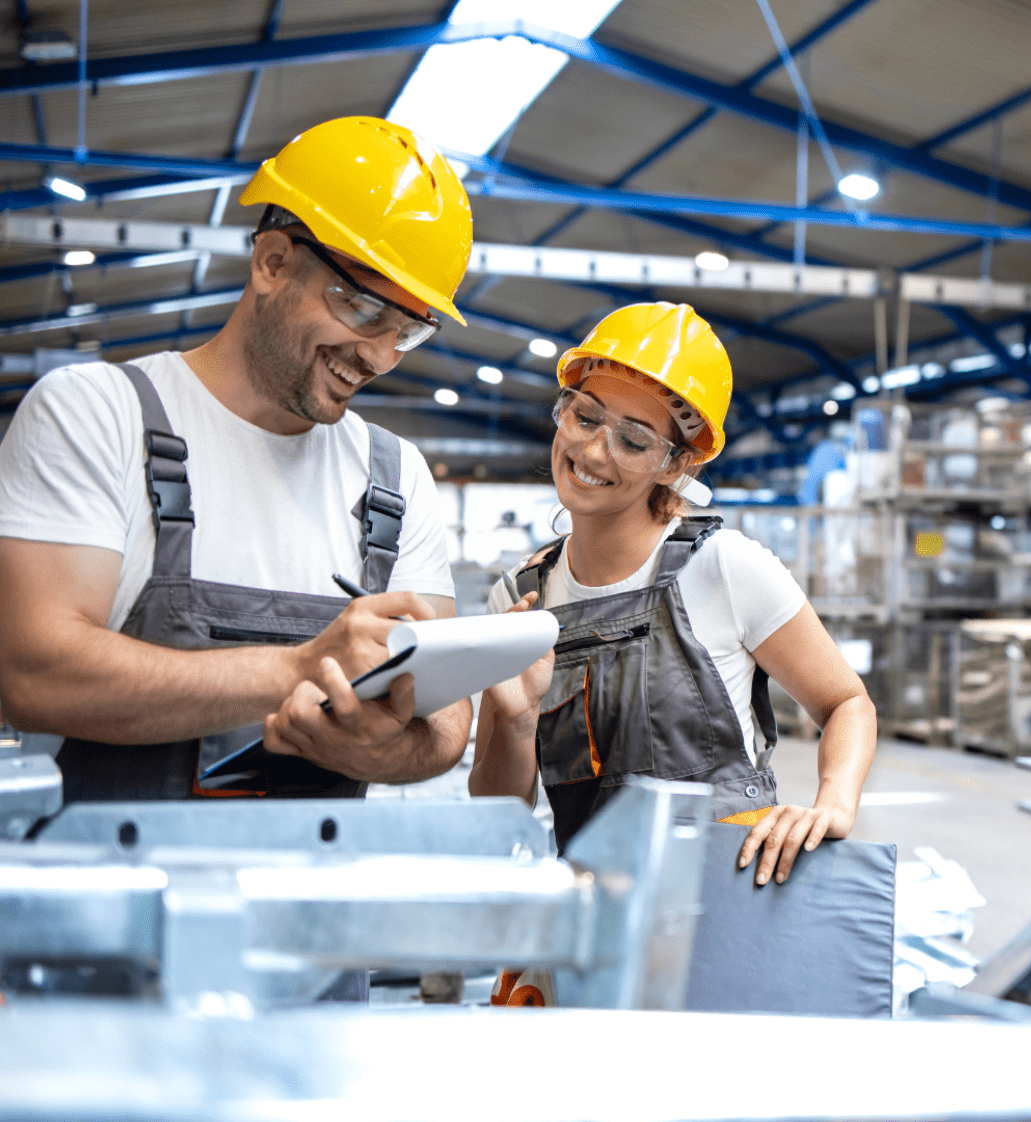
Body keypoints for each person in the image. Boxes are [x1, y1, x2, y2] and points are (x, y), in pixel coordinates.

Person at [0, 116, 476, 805]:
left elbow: (446, 725)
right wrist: (294, 671)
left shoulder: (395, 476)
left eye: (407, 331)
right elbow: (35, 674)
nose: (378, 355)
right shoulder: (99, 414)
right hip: (110, 899)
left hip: (316, 902)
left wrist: (387, 749)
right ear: (273, 262)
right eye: (362, 307)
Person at [471, 302, 876, 887]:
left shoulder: (722, 568)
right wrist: (514, 721)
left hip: (735, 901)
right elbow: (497, 812)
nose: (592, 452)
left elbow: (847, 704)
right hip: (599, 921)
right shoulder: (520, 598)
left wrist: (832, 805)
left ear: (675, 464)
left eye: (633, 441)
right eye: (585, 418)